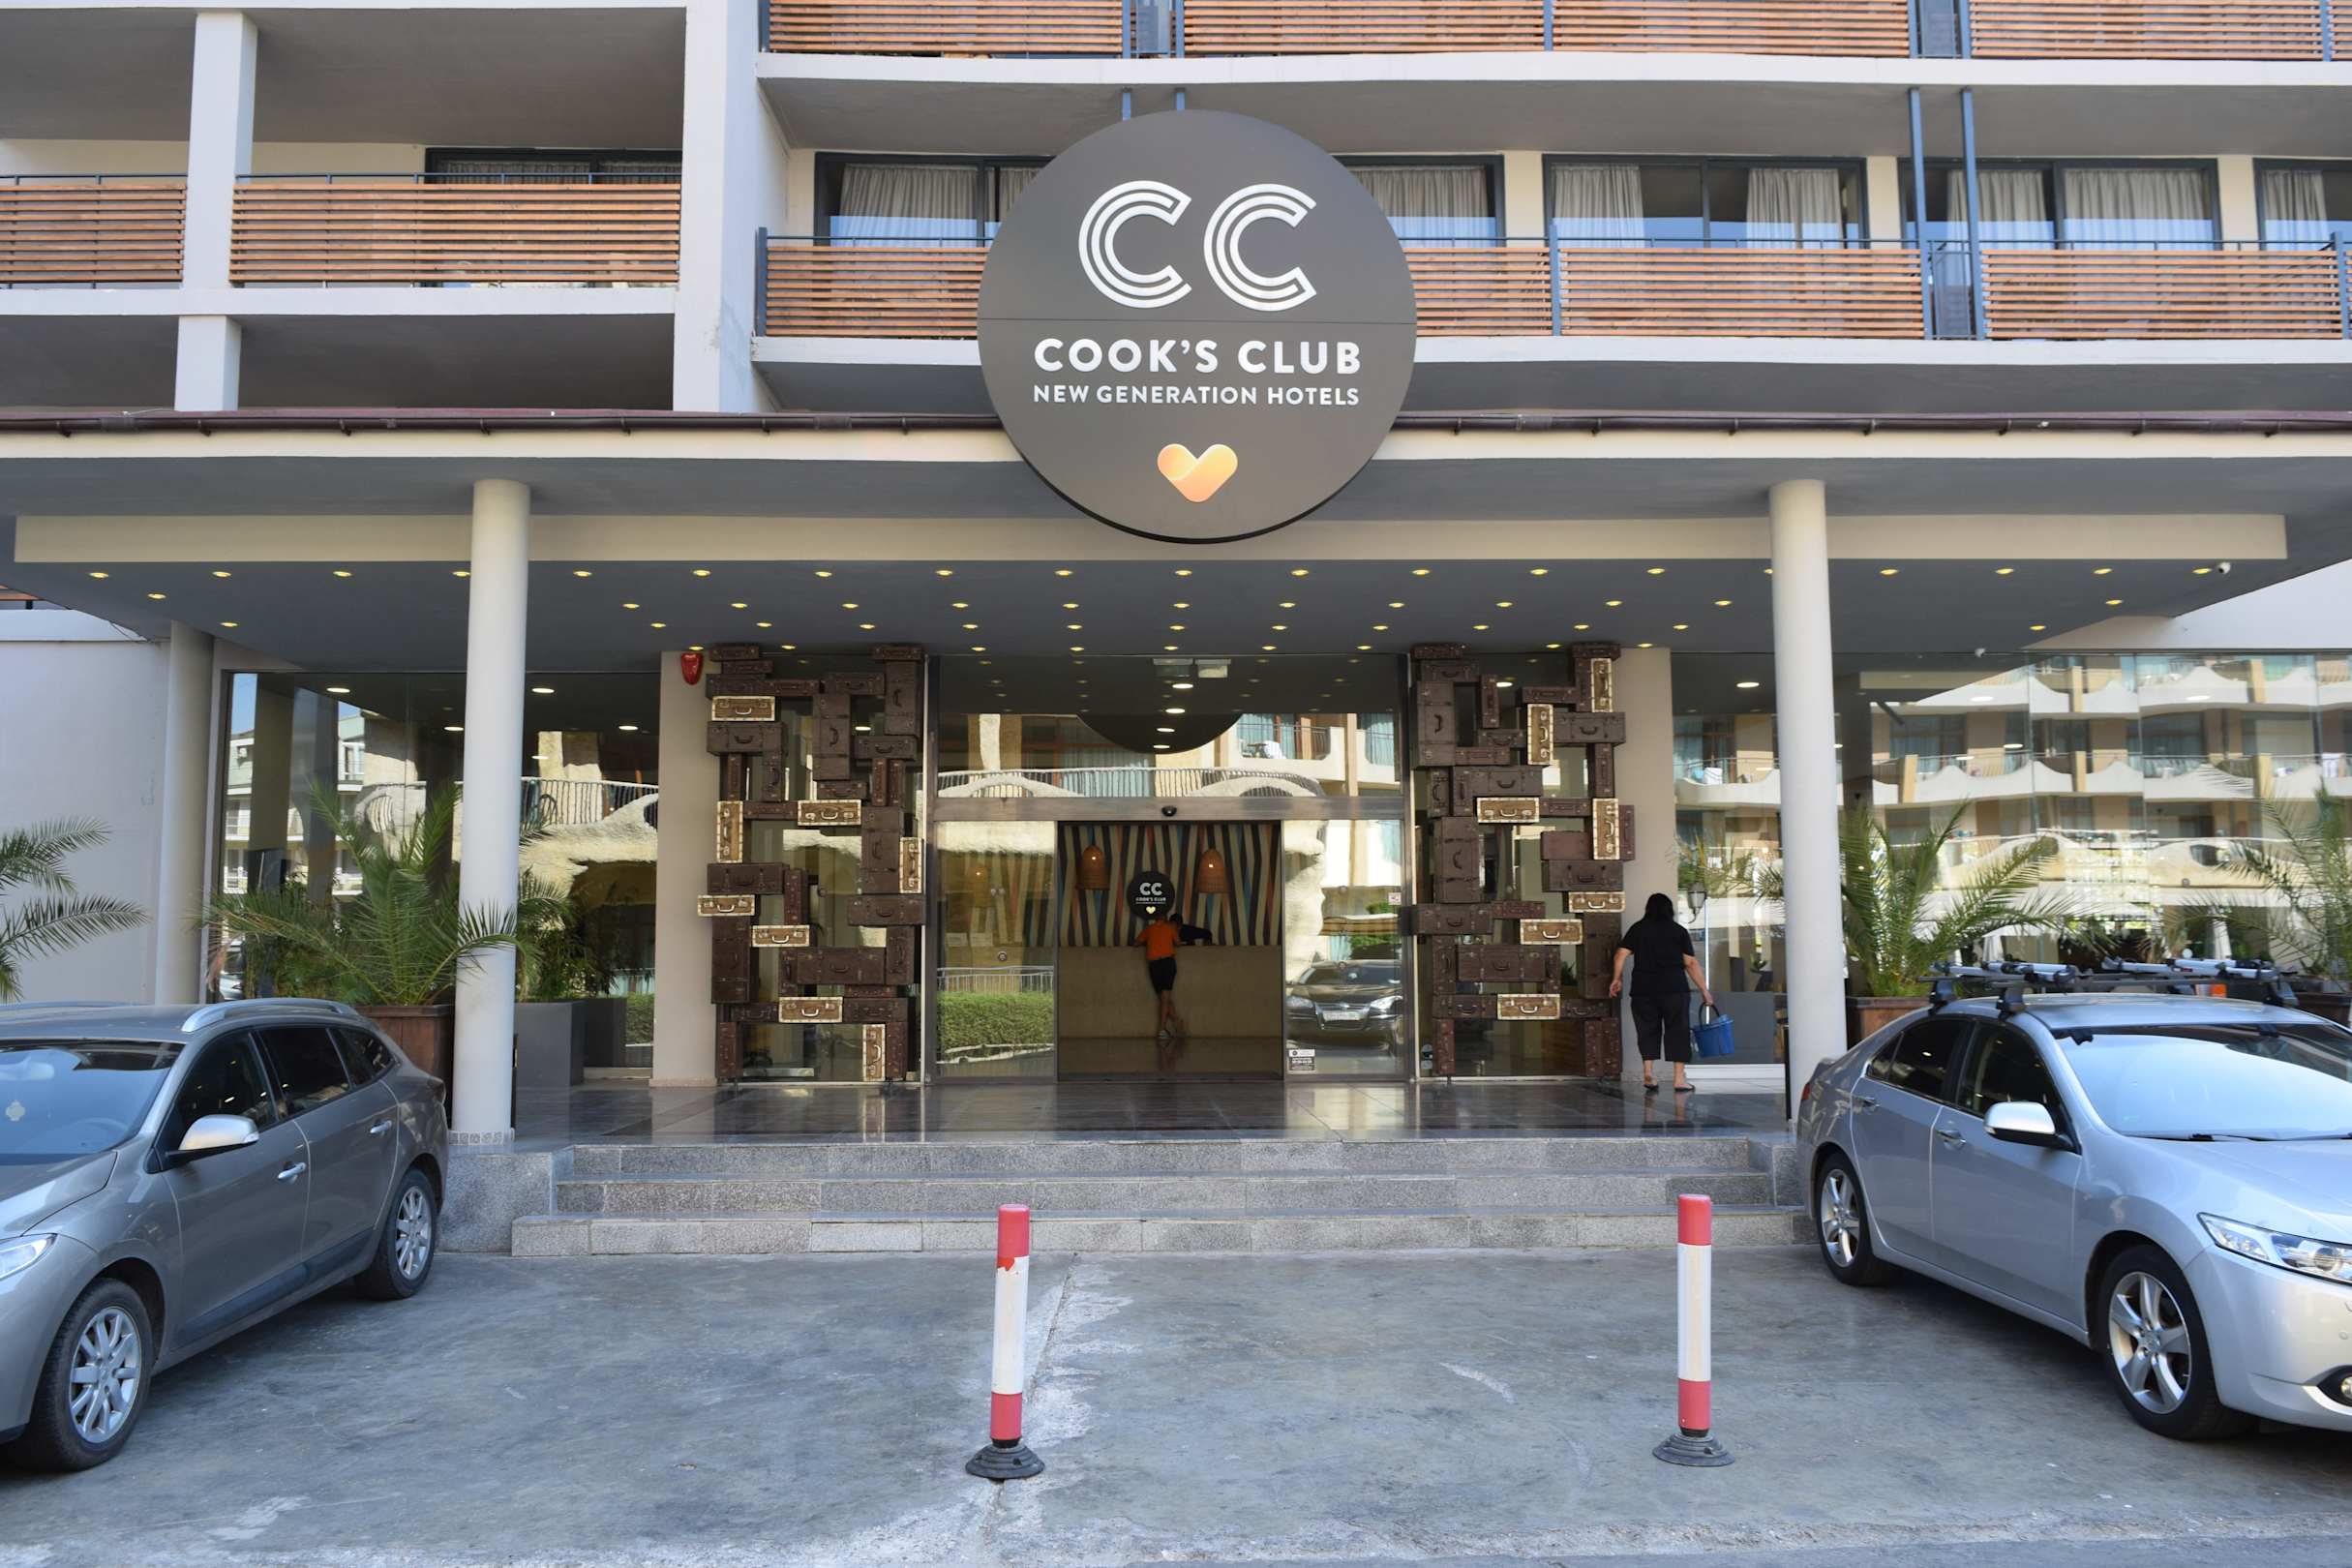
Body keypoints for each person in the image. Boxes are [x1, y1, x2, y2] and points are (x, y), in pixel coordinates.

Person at [1608, 891, 1714, 1096]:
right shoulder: (1678, 931)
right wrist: (1704, 990)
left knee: (1647, 1029)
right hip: (1674, 989)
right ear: (1669, 910)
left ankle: (1648, 1073)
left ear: (1648, 909)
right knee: (1678, 1030)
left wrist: (1617, 978)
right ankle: (1679, 1079)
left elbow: (1621, 953)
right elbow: (1690, 963)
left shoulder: (1638, 929)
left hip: (1643, 990)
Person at [1131, 909, 1213, 1043]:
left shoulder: (1149, 929)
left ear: (1155, 919)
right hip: (1167, 963)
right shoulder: (1170, 929)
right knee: (1165, 998)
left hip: (1154, 965)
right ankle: (1168, 1026)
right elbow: (1178, 943)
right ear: (1166, 919)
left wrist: (1151, 942)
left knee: (1162, 997)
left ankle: (1169, 1025)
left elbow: (1136, 943)